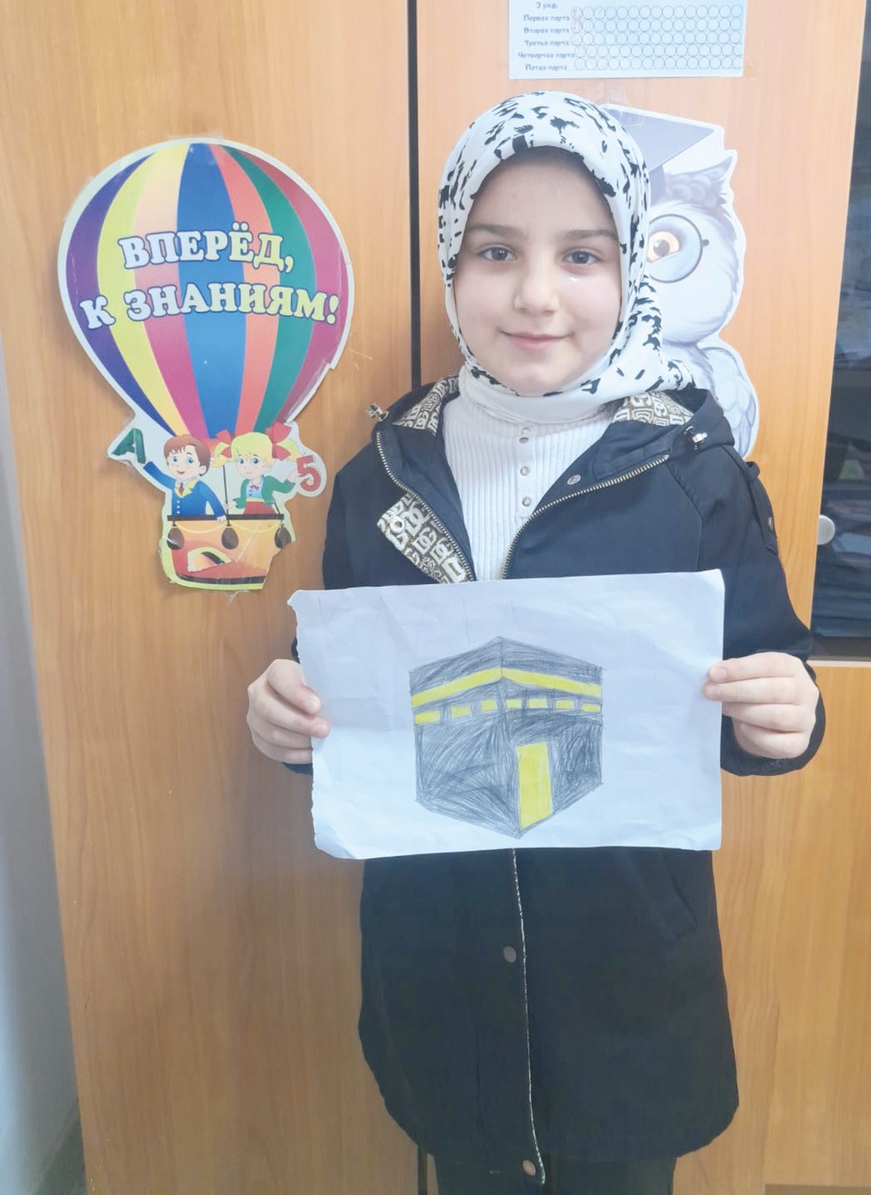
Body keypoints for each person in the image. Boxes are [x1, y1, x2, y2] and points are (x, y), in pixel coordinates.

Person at [247, 92, 823, 1194]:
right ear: (451, 261)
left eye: (582, 255)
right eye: (497, 250)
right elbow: (352, 713)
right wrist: (291, 724)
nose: (537, 294)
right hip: (442, 961)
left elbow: (763, 681)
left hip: (622, 972)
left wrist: (789, 710)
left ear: (631, 270)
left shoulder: (690, 469)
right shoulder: (381, 477)